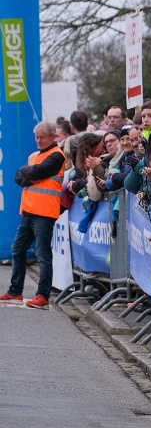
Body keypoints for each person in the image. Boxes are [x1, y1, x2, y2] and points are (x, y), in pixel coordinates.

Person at [0, 122, 66, 309]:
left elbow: (34, 172)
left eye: (42, 137)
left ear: (52, 137)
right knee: (17, 250)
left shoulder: (56, 155)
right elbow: (19, 177)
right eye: (36, 136)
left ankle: (43, 295)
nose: (38, 140)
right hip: (29, 211)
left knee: (42, 255)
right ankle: (15, 291)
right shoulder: (34, 155)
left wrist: (28, 174)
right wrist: (29, 174)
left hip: (44, 213)